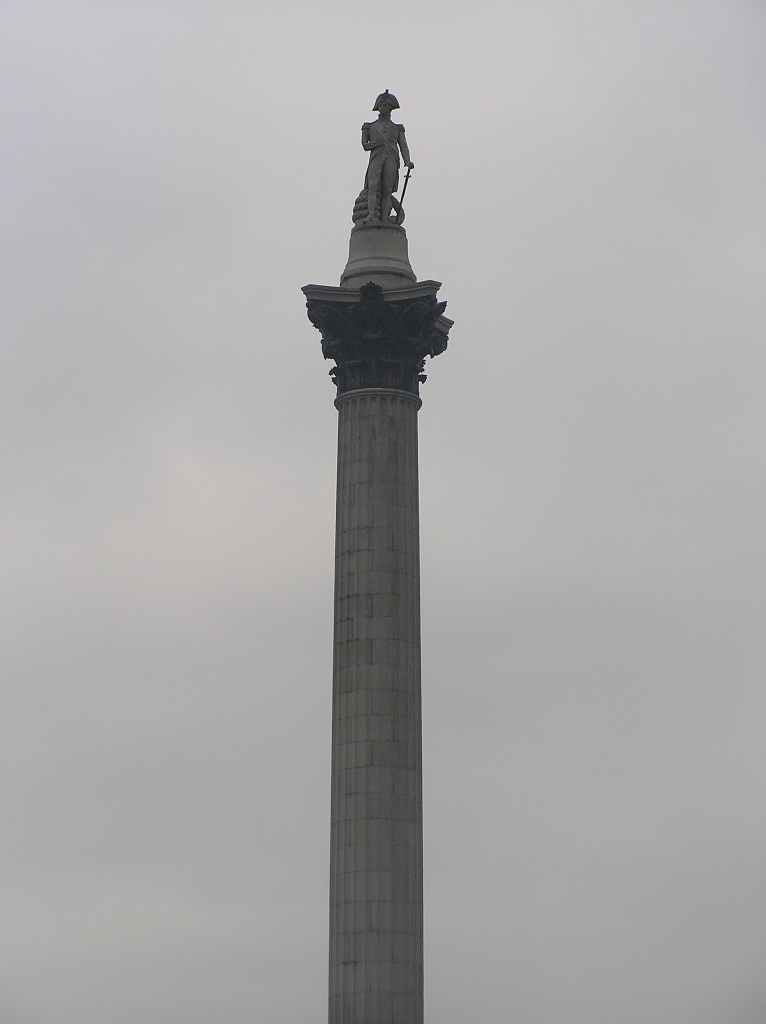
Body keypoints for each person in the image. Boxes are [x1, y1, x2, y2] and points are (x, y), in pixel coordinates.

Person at [361, 90, 414, 223]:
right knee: (372, 186)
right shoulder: (369, 127)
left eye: (385, 105)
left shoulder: (397, 128)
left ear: (390, 108)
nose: (382, 107)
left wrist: (407, 161)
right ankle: (372, 215)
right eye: (380, 105)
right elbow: (365, 145)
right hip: (376, 158)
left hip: (391, 158)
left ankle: (384, 219)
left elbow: (403, 145)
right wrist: (378, 143)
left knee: (387, 190)